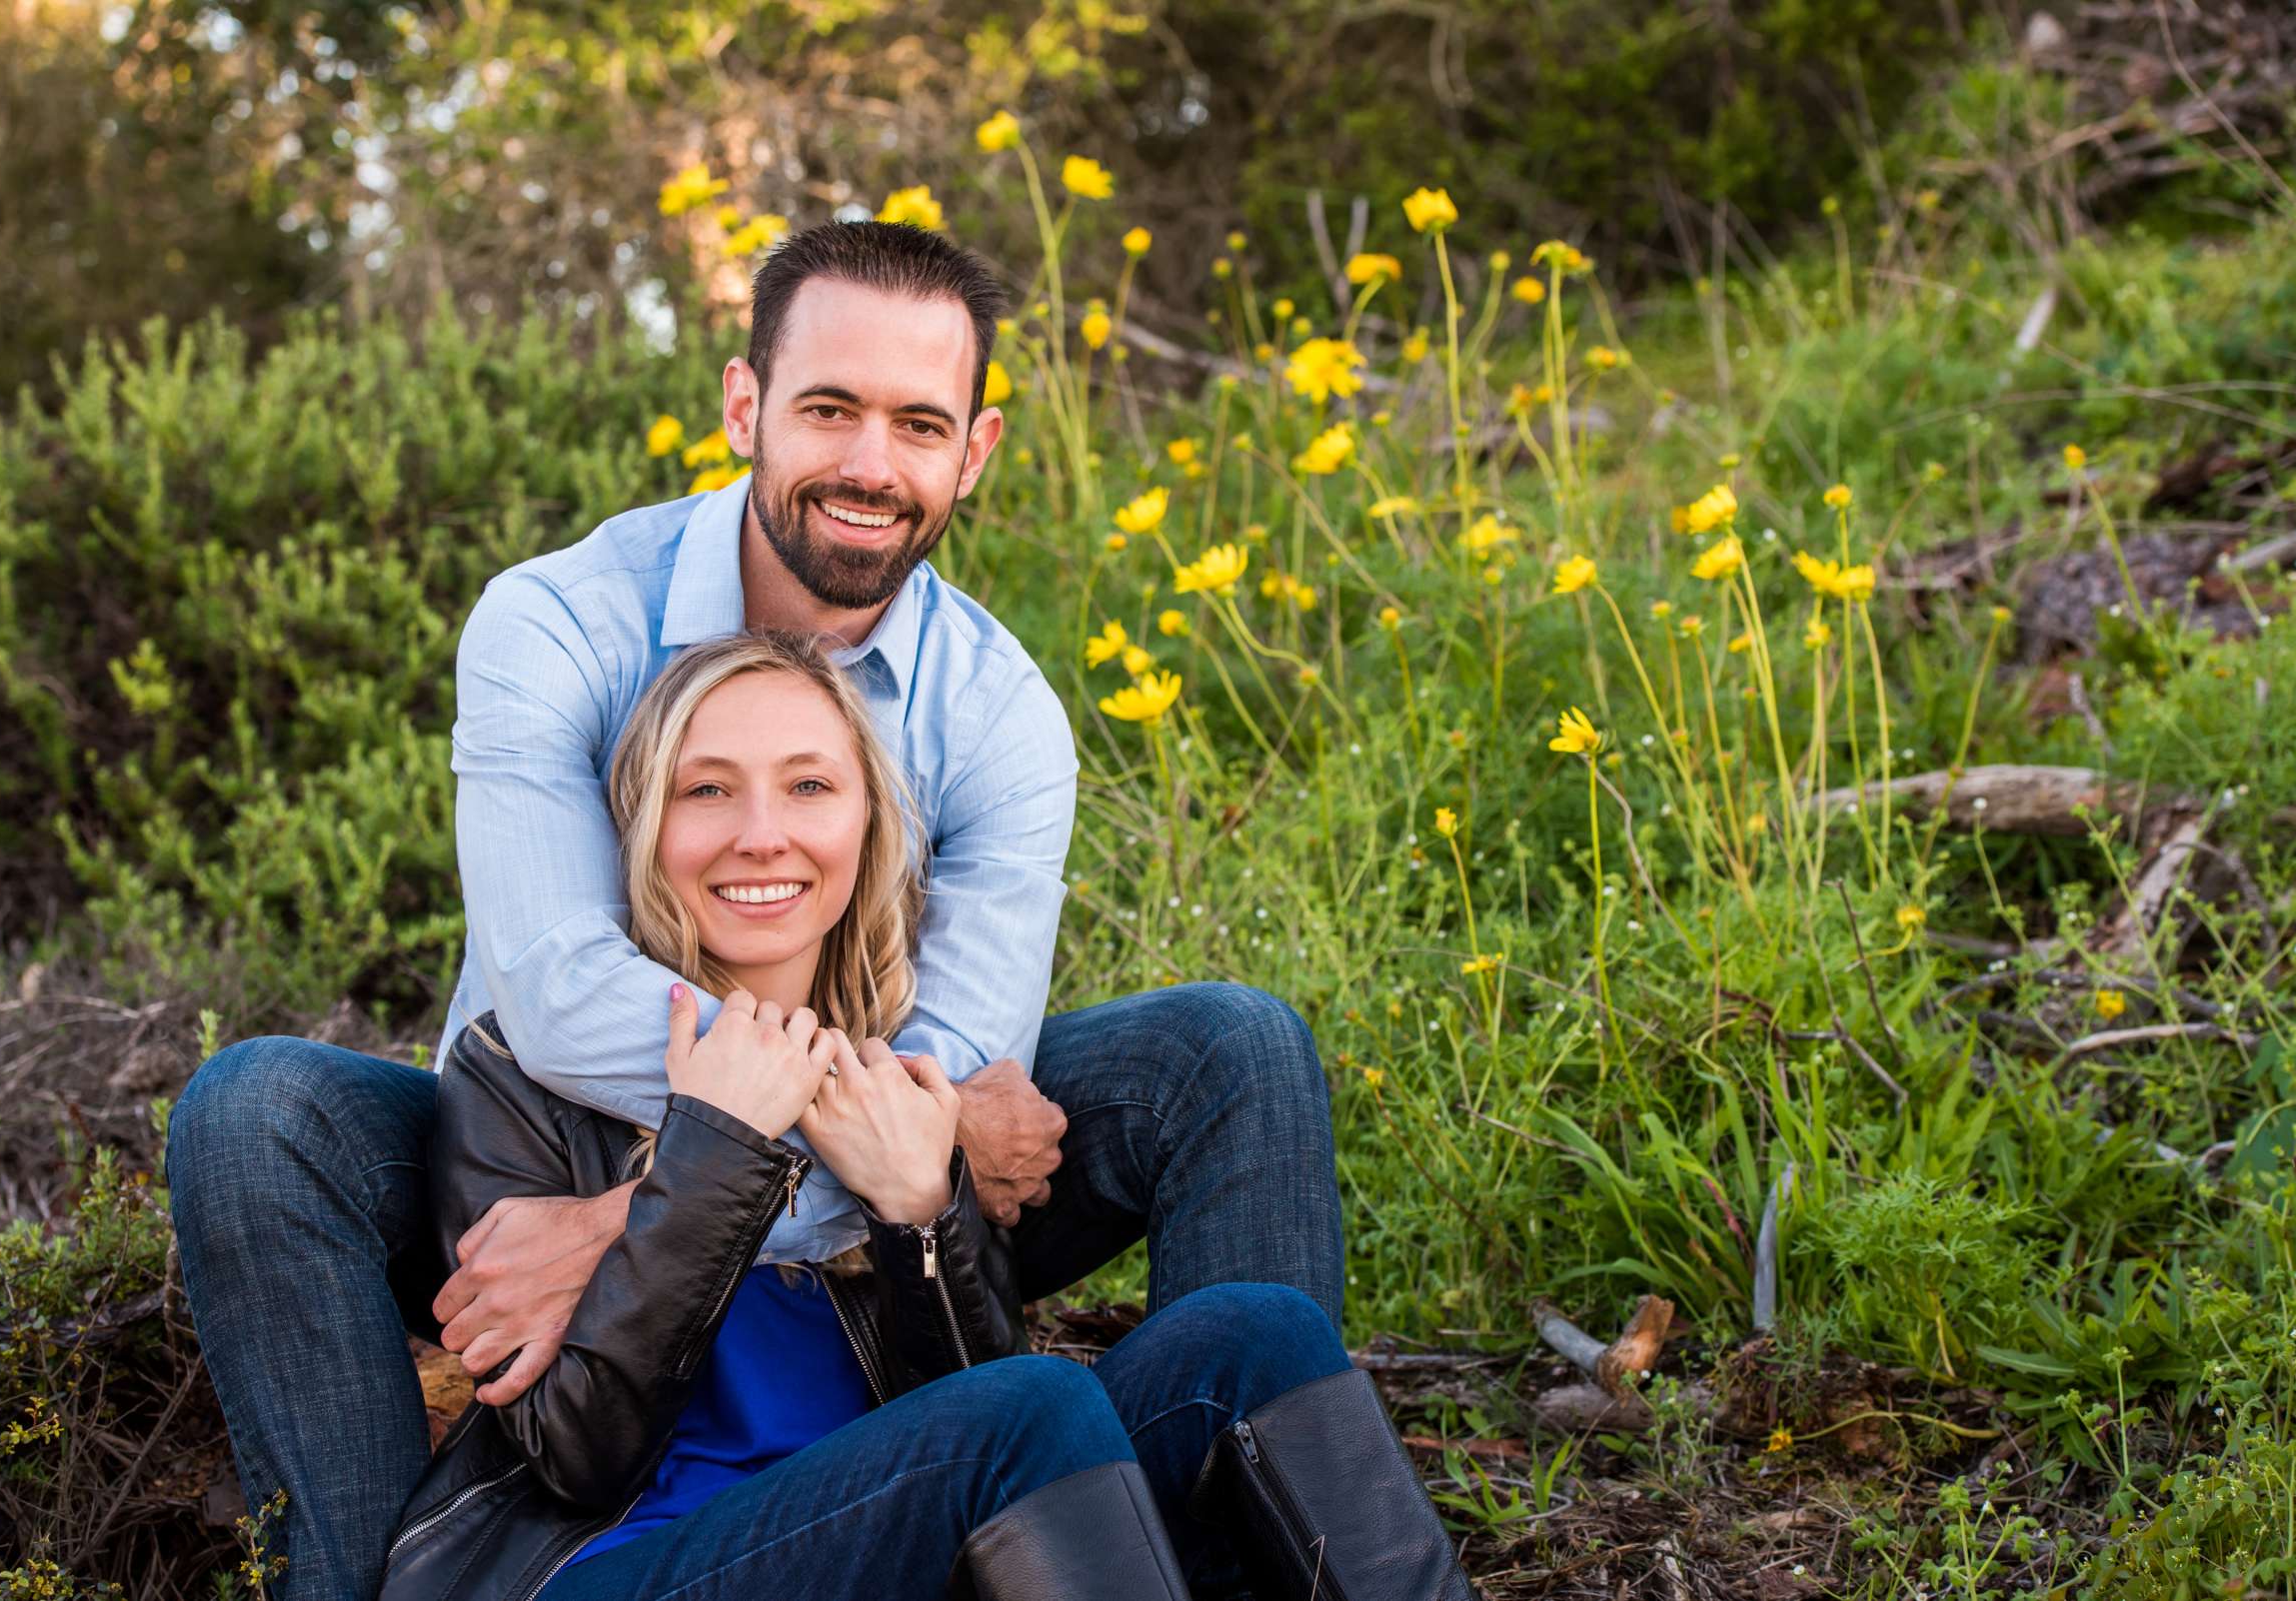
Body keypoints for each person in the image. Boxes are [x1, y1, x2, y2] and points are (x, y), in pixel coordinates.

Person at [166, 221, 1350, 1601]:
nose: (869, 462)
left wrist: (667, 1213)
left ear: (974, 451)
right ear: (745, 406)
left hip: (834, 1195)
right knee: (258, 1112)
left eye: (919, 422)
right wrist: (863, 1137)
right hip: (535, 1147)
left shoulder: (1000, 710)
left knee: (1232, 1053)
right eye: (829, 408)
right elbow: (556, 995)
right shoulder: (558, 622)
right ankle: (354, 1582)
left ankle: (1230, 1543)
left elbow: (959, 1056)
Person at [380, 632, 1471, 1600]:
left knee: (1258, 1333)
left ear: (868, 824)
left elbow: (984, 1433)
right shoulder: (520, 1074)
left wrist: (919, 1211)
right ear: (643, 824)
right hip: (629, 1563)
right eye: (705, 790)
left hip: (881, 1539)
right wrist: (715, 1150)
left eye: (809, 787)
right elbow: (576, 1456)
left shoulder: (907, 1075)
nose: (762, 835)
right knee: (1033, 1406)